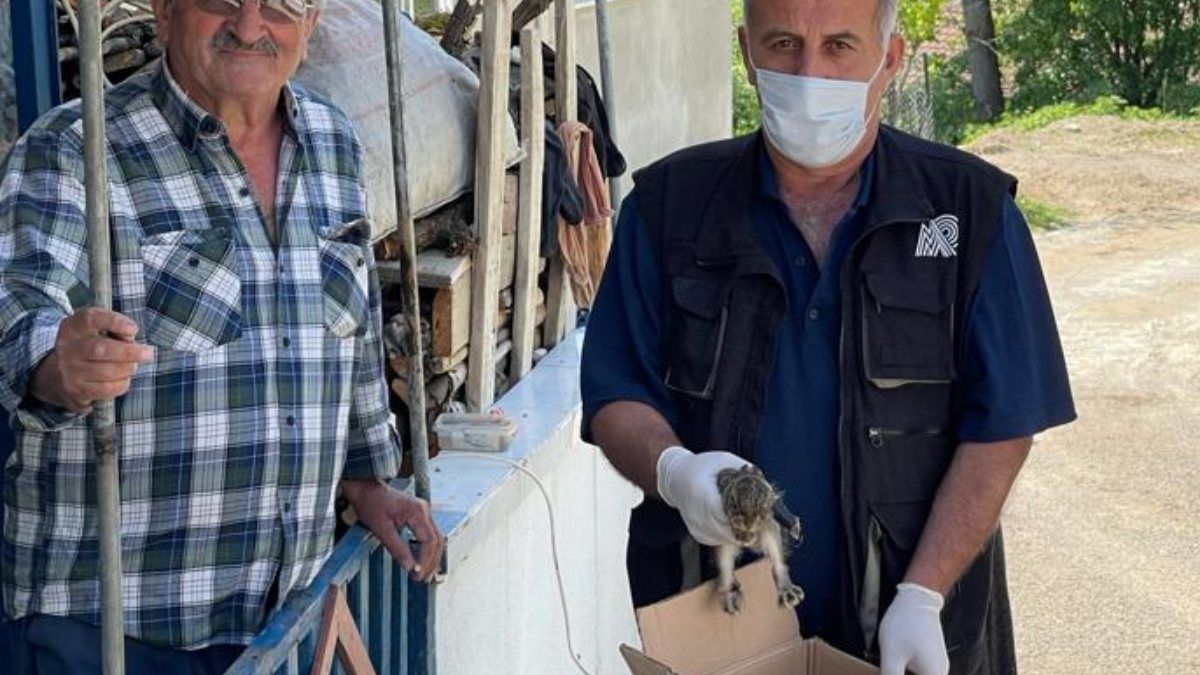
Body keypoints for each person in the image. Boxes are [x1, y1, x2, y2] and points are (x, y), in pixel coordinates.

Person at [580, 0, 1076, 673]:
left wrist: (924, 592)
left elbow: (1004, 425)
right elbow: (617, 391)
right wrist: (674, 471)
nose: (809, 72)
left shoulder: (970, 212)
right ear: (747, 53)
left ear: (889, 60)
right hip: (717, 627)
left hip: (910, 630)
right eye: (783, 43)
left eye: (839, 45)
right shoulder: (668, 209)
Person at [0, 0, 443, 672]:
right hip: (111, 632)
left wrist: (367, 478)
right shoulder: (73, 148)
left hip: (280, 624)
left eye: (280, 6)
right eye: (221, 1)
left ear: (312, 21)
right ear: (165, 11)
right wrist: (57, 364)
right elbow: (18, 307)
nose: (249, 26)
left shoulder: (334, 143)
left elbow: (351, 333)